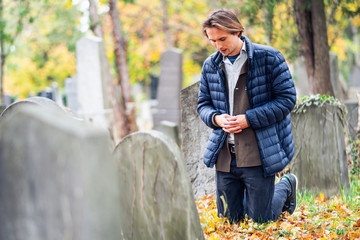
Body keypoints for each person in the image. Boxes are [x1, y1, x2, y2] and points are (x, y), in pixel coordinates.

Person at [197, 9, 298, 223]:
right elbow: (203, 105)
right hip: (225, 154)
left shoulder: (269, 58)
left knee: (260, 222)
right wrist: (216, 118)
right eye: (212, 40)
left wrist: (248, 119)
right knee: (229, 223)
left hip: (258, 153)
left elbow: (287, 99)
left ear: (237, 32)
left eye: (222, 39)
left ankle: (286, 185)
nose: (218, 45)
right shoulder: (210, 65)